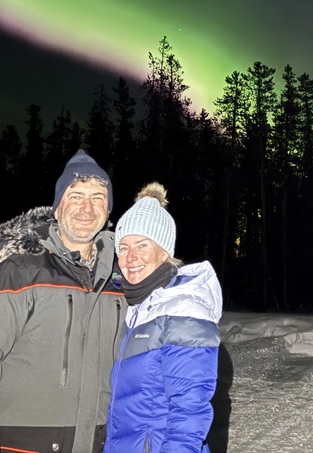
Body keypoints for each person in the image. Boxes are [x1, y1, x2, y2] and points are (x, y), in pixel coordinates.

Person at [0, 149, 126, 453]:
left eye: (98, 197)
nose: (87, 207)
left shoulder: (123, 281)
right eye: (76, 196)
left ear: (108, 211)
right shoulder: (19, 274)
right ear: (56, 208)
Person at [104, 182, 223, 453]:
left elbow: (189, 413)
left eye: (142, 245)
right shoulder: (137, 308)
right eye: (123, 247)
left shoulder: (184, 309)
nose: (130, 257)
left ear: (165, 251)